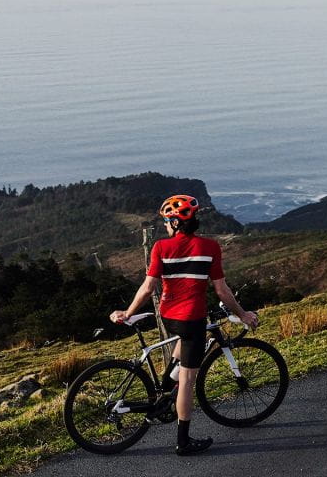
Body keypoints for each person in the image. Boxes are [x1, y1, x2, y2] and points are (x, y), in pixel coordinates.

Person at [110, 194, 259, 456]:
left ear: (176, 223)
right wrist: (244, 314)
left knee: (182, 349)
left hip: (169, 317)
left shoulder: (160, 248)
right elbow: (222, 291)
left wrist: (128, 311)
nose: (166, 225)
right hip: (192, 319)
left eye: (168, 221)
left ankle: (166, 391)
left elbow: (148, 289)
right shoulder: (210, 247)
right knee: (188, 381)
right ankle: (183, 442)